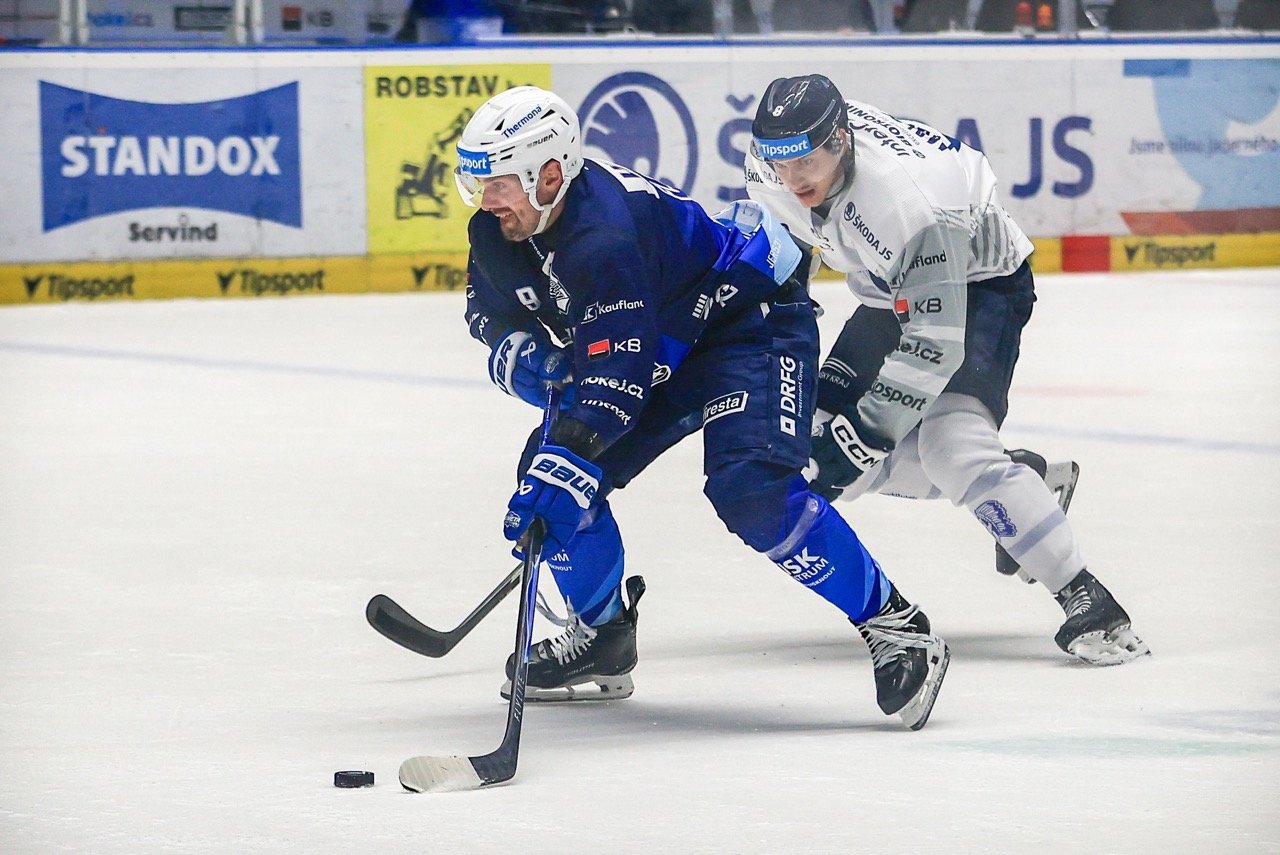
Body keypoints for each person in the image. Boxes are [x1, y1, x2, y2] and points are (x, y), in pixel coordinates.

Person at [455, 85, 950, 729]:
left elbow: (616, 381)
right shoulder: (499, 229)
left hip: (747, 322)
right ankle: (603, 637)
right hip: (660, 340)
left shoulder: (602, 236)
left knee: (751, 489)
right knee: (552, 479)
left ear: (549, 176)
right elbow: (489, 310)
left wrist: (568, 454)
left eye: (498, 184)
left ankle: (897, 627)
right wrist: (520, 352)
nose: (485, 199)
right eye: (478, 182)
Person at [744, 74, 1149, 665]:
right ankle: (1023, 482)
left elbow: (933, 344)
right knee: (810, 447)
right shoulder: (771, 161)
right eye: (781, 163)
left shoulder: (910, 201)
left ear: (841, 139)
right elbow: (786, 250)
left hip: (979, 284)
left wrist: (864, 437)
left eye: (805, 161)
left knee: (952, 447)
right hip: (887, 292)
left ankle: (1087, 598)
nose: (792, 178)